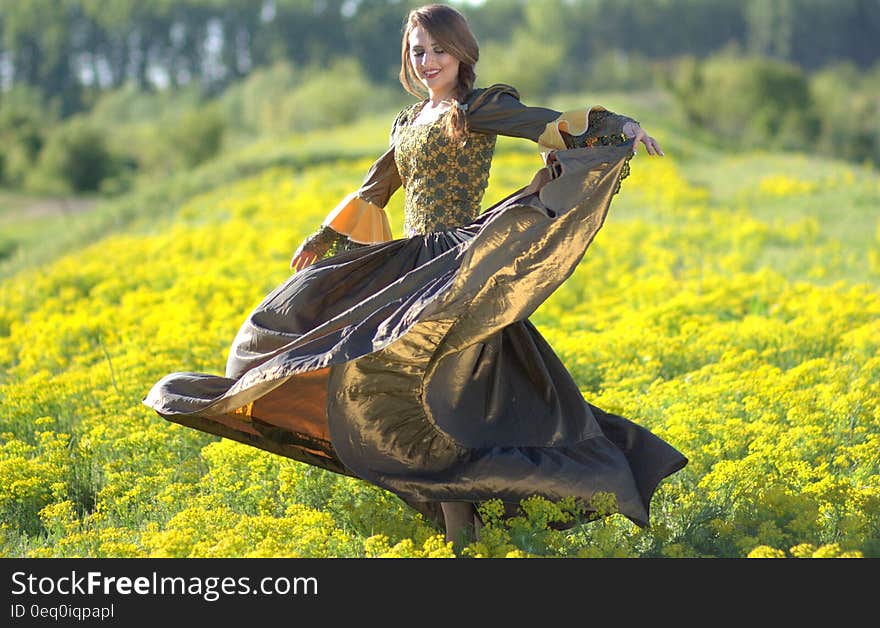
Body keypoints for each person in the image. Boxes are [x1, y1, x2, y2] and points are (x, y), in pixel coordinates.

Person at [144, 3, 686, 552]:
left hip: (457, 266)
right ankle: (460, 536)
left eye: (438, 50)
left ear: (461, 52)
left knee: (441, 398)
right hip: (410, 265)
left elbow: (546, 124)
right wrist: (325, 238)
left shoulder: (477, 108)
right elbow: (376, 186)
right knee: (389, 379)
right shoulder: (408, 121)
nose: (427, 61)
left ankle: (479, 531)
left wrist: (620, 127)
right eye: (418, 51)